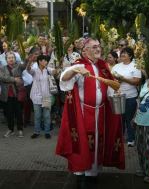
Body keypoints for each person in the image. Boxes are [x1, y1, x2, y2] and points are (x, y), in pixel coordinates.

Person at [56, 38, 125, 189]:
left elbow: (110, 86)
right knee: (84, 143)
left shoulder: (103, 66)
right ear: (85, 50)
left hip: (101, 112)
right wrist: (74, 70)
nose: (98, 49)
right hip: (83, 112)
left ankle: (92, 175)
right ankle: (81, 175)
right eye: (94, 47)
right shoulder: (79, 65)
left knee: (97, 143)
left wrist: (115, 94)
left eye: (99, 46)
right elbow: (64, 79)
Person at [112, 47, 142, 147]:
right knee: (119, 119)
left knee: (128, 119)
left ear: (130, 55)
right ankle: (119, 138)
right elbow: (112, 79)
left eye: (125, 53)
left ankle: (131, 139)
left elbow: (137, 81)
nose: (122, 55)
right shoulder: (116, 66)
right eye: (122, 53)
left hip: (130, 97)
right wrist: (116, 81)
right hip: (118, 96)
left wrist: (123, 79)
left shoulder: (135, 66)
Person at [27, 54, 55, 139]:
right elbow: (28, 69)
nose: (46, 62)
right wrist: (30, 61)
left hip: (46, 96)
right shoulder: (35, 70)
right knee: (37, 115)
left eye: (47, 60)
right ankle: (36, 131)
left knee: (46, 116)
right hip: (36, 96)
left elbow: (55, 71)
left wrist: (59, 66)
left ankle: (47, 132)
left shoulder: (48, 70)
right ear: (39, 61)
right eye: (44, 60)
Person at [0, 51, 27, 137]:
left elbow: (24, 66)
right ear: (6, 60)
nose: (11, 59)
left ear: (15, 59)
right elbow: (3, 78)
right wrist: (14, 79)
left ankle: (20, 129)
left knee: (19, 113)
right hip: (7, 95)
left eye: (12, 57)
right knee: (9, 113)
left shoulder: (18, 66)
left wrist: (26, 59)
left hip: (17, 94)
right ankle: (10, 129)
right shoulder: (2, 68)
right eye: (9, 58)